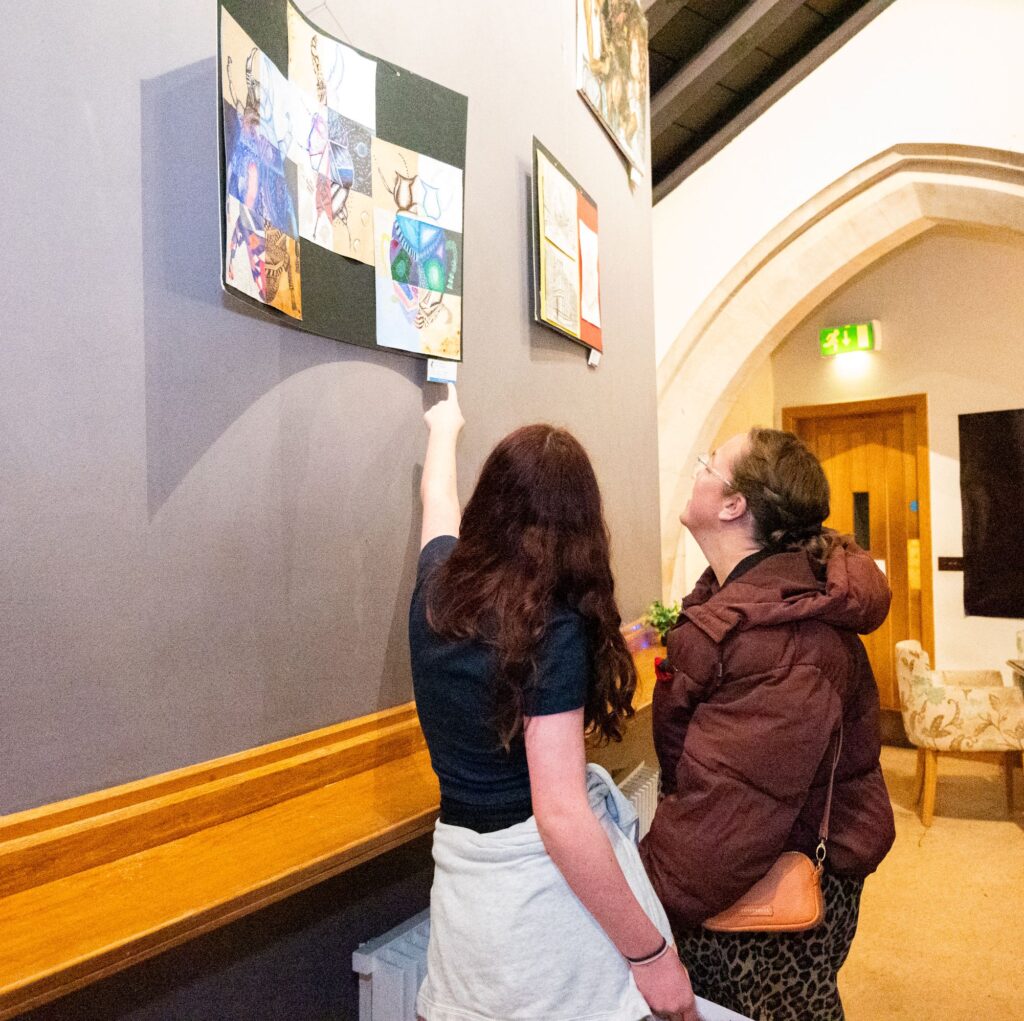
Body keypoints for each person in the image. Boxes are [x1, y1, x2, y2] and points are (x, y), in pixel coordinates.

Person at [411, 385, 699, 1021]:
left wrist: (444, 429)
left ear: (488, 503)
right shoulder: (550, 628)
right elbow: (561, 816)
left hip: (464, 893)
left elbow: (437, 502)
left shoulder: (436, 588)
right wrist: (653, 957)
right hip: (538, 907)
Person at [640, 428, 896, 1021]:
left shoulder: (783, 644)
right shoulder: (745, 605)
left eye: (708, 464)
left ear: (734, 505)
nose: (697, 470)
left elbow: (722, 829)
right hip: (749, 864)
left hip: (767, 902)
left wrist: (634, 912)